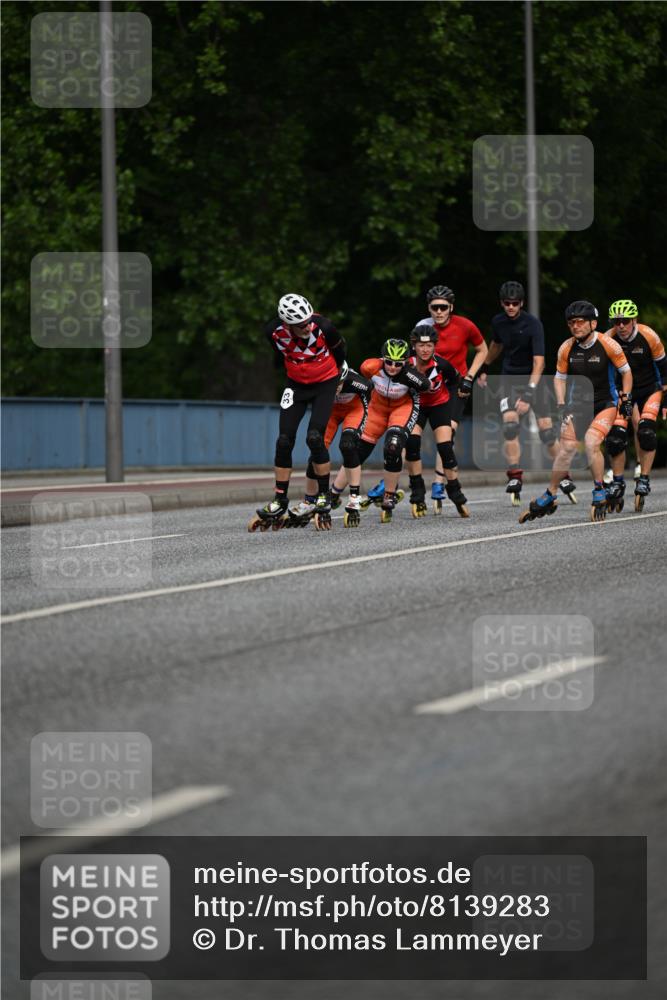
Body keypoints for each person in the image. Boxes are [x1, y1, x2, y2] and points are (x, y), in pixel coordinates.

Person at [519, 301, 633, 525]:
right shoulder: (566, 348)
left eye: (580, 322)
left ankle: (599, 489)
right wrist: (561, 405)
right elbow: (559, 379)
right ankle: (551, 494)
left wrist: (626, 398)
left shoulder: (608, 344)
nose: (575, 326)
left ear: (593, 323)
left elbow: (626, 373)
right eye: (571, 323)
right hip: (577, 406)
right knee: (566, 449)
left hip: (605, 404)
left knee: (591, 443)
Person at [248, 293, 345, 532]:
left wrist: (338, 377)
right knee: (283, 440)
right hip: (296, 385)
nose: (307, 326)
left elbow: (341, 351)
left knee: (314, 437)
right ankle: (280, 499)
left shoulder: (324, 326)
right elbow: (280, 353)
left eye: (308, 320)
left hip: (325, 383)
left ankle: (323, 495)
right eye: (301, 325)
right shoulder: (272, 331)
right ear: (287, 323)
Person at [478, 280, 576, 505]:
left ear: (521, 303)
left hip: (534, 379)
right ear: (502, 303)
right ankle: (514, 476)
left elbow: (539, 363)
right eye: (507, 303)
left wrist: (529, 395)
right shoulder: (498, 322)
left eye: (515, 303)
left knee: (547, 433)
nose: (511, 307)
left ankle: (564, 475)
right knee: (510, 426)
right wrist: (485, 367)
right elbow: (496, 345)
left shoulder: (533, 324)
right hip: (509, 379)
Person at [418, 285, 488, 503]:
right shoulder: (423, 327)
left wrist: (471, 377)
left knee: (449, 433)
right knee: (411, 433)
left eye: (443, 307)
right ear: (429, 308)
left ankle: (439, 481)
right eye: (434, 307)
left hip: (457, 385)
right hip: (431, 387)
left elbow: (482, 350)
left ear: (451, 308)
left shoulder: (465, 325)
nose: (438, 312)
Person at [358, 339, 430, 522]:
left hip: (404, 408)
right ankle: (334, 492)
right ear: (383, 359)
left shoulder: (409, 374)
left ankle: (395, 493)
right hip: (380, 408)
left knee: (395, 446)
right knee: (356, 450)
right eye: (388, 362)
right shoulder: (369, 367)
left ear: (405, 362)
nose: (392, 367)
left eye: (398, 364)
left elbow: (426, 385)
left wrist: (407, 376)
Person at [605, 299, 667, 512]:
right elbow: (605, 375)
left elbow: (664, 369)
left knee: (646, 433)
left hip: (650, 389)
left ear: (634, 320)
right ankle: (618, 481)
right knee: (615, 437)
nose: (620, 326)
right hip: (624, 392)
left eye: (625, 321)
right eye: (616, 321)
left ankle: (644, 478)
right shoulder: (608, 339)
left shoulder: (649, 336)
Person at [403, 325, 469, 517]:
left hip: (439, 405)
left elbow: (457, 381)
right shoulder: (406, 364)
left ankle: (455, 491)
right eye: (421, 345)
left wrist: (460, 392)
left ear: (434, 346)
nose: (425, 349)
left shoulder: (442, 364)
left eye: (429, 345)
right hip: (416, 406)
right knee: (412, 444)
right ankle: (417, 492)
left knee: (445, 448)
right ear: (414, 346)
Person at [301, 361, 372, 527]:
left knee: (347, 445)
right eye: (332, 384)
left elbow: (369, 393)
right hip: (331, 410)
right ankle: (309, 499)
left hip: (354, 409)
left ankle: (354, 497)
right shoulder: (317, 381)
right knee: (317, 449)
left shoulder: (357, 382)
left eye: (339, 383)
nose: (336, 387)